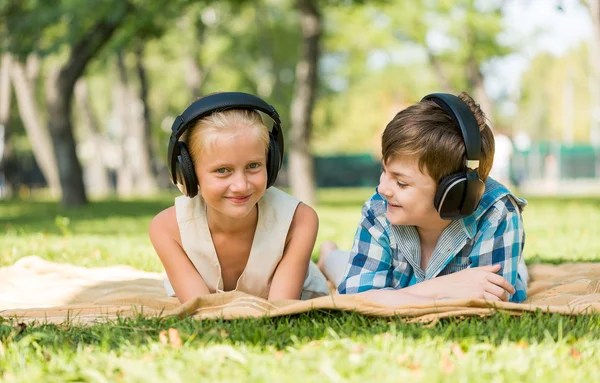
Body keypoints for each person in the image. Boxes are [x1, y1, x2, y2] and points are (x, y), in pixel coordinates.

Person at [317, 92, 528, 305]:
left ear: (456, 193)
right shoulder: (381, 207)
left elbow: (491, 301)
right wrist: (441, 287)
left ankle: (521, 266)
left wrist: (392, 296)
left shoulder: (498, 213)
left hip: (398, 289)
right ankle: (328, 256)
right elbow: (357, 298)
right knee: (339, 267)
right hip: (397, 281)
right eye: (384, 170)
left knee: (520, 275)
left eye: (401, 183)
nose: (382, 188)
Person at [149, 92, 329, 303]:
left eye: (253, 166)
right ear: (187, 172)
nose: (241, 185)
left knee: (337, 267)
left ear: (270, 163)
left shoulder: (300, 220)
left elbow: (280, 309)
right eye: (223, 170)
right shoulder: (166, 229)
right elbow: (202, 310)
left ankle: (328, 256)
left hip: (307, 280)